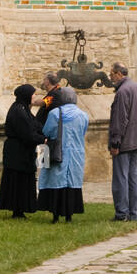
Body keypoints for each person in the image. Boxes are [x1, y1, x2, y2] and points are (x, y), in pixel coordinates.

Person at [39, 86, 89, 221]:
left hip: (57, 152)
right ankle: (69, 215)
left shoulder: (55, 113)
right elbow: (83, 132)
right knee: (72, 183)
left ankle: (55, 214)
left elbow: (47, 131)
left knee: (56, 181)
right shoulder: (83, 115)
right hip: (76, 154)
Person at [0, 84, 44, 217]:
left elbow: (35, 124)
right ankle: (17, 210)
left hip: (22, 151)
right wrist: (43, 139)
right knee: (18, 180)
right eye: (33, 94)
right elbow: (27, 133)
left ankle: (21, 208)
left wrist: (43, 133)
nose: (35, 96)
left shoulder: (23, 109)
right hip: (17, 151)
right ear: (26, 95)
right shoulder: (18, 111)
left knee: (23, 179)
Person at [108, 63, 137, 221]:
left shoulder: (122, 92)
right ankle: (133, 213)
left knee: (121, 178)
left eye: (111, 74)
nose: (110, 77)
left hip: (125, 142)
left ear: (118, 74)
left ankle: (122, 213)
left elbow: (120, 119)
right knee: (132, 177)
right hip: (136, 139)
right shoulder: (136, 87)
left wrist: (115, 142)